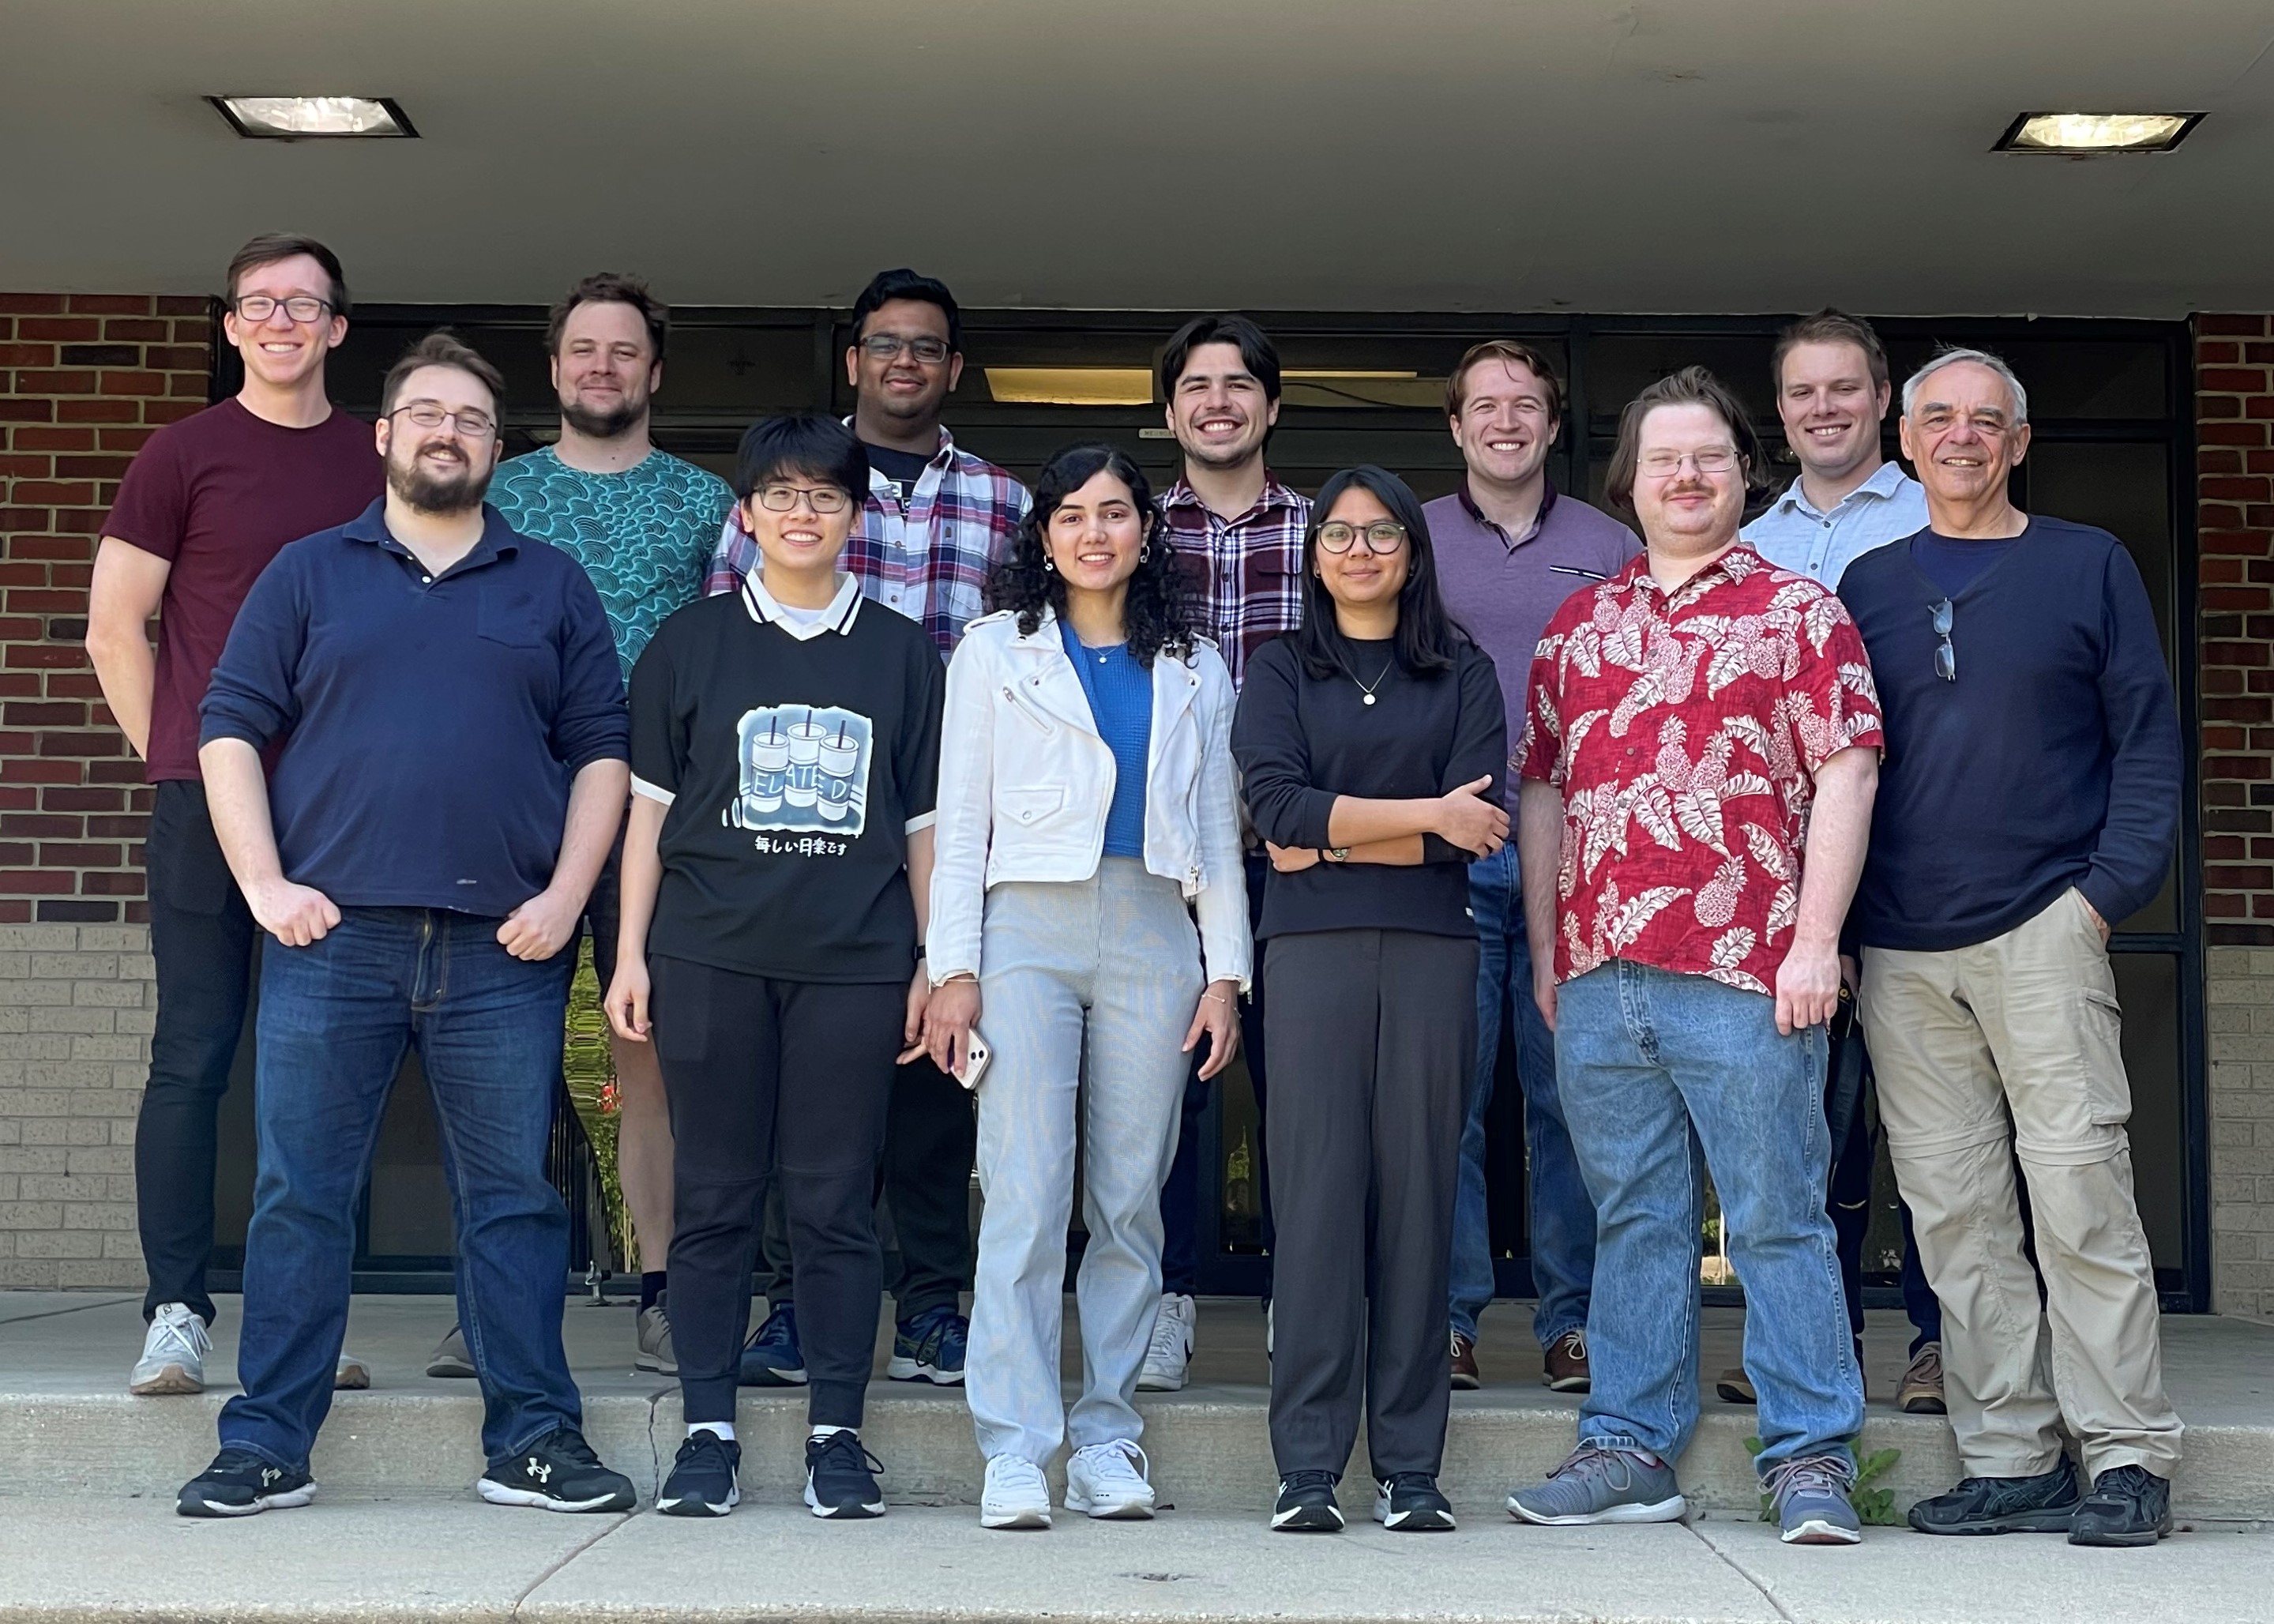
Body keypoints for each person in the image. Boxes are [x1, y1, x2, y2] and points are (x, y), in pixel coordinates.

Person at [176, 333, 637, 1517]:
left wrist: (564, 896)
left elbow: (602, 751)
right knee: (300, 1196)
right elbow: (228, 729)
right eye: (426, 413)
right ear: (384, 436)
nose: (448, 433)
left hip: (504, 948)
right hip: (333, 942)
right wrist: (265, 886)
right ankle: (266, 1444)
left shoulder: (550, 582)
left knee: (513, 1202)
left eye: (472, 419)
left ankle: (533, 1440)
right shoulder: (307, 572)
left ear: (495, 447)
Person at [1504, 367, 1879, 1547]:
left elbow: (1849, 771)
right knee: (1634, 1219)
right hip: (1601, 977)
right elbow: (1544, 793)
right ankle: (1629, 1447)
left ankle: (1811, 1458)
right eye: (1664, 459)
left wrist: (1817, 941)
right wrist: (1547, 950)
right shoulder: (1579, 628)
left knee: (1776, 1218)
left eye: (1709, 457)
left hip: (1749, 971)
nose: (1687, 477)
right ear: (1630, 480)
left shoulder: (1799, 613)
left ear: (1742, 472)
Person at [1840, 348, 2185, 1547]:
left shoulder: (2088, 564)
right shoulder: (1867, 585)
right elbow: (1841, 765)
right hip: (1901, 951)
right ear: (1905, 441)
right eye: (1938, 418)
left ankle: (2127, 1455)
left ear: (2020, 442)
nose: (1963, 437)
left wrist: (2105, 895)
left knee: (2081, 1193)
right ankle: (2010, 1456)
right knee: (1957, 1215)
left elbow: (2147, 739)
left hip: (2045, 924)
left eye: (1987, 421)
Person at [611, 414, 945, 1521]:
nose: (804, 513)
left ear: (857, 515)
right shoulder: (688, 644)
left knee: (836, 1204)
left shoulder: (903, 653)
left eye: (826, 496)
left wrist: (933, 960)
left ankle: (837, 1436)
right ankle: (707, 1433)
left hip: (855, 965)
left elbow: (925, 829)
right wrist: (629, 955)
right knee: (714, 1200)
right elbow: (647, 816)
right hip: (709, 956)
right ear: (747, 514)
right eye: (782, 495)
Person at [711, 269, 1026, 1394]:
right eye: (885, 343)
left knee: (937, 1068)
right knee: (806, 1088)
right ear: (853, 360)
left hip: (957, 821)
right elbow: (730, 648)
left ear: (954, 367)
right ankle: (796, 1308)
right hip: (807, 820)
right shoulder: (791, 489)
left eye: (927, 347)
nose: (905, 362)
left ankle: (934, 1305)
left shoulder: (1003, 502)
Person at [923, 443, 1249, 1529]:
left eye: (1115, 513)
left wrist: (1226, 975)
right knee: (1023, 1192)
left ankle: (1109, 1432)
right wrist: (952, 968)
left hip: (1156, 929)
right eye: (1072, 515)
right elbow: (959, 825)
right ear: (1044, 535)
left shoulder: (1196, 664)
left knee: (1129, 1196)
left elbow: (1218, 832)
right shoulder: (993, 650)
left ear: (1146, 533)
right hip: (1025, 927)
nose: (1094, 533)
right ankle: (1015, 1447)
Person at [88, 233, 384, 1399]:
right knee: (196, 1050)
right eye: (258, 304)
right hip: (207, 805)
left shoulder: (373, 457)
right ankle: (176, 1310)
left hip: (344, 811)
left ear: (337, 327)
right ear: (230, 326)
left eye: (303, 304)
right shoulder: (182, 454)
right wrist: (179, 760)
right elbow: (116, 625)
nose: (280, 321)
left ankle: (302, 1316)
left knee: (327, 1070)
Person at [423, 273, 734, 1383]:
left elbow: (732, 658)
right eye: (584, 350)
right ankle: (492, 1306)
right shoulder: (496, 491)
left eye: (624, 351)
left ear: (655, 371)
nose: (603, 367)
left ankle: (665, 1293)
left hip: (662, 817)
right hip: (513, 813)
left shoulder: (707, 504)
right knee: (500, 1071)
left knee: (650, 1060)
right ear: (554, 370)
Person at [1232, 465, 1508, 1535]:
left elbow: (1474, 828)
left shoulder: (1462, 670)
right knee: (1314, 1201)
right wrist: (1421, 816)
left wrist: (1335, 837)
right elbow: (1274, 811)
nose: (1360, 551)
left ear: (1412, 551)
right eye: (1340, 535)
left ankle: (1410, 1469)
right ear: (1314, 555)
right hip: (1309, 957)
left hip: (1435, 952)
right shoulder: (1278, 667)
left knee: (1419, 1201)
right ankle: (1306, 1468)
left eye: (1382, 534)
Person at [1728, 308, 1944, 1417]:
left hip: (1919, 864)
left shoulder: (1935, 515)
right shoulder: (1750, 543)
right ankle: (1816, 1342)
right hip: (1789, 883)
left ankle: (1941, 1343)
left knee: (1934, 1129)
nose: (1824, 409)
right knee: (1810, 1134)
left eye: (1844, 388)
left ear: (1882, 398)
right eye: (1803, 392)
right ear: (1781, 410)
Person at [1423, 340, 1638, 1395]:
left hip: (1578, 864)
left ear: (1553, 426)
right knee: (1450, 1101)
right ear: (1456, 427)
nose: (1505, 422)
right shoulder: (1411, 537)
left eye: (1525, 406)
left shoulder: (1611, 544)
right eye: (1485, 406)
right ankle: (1449, 1320)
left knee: (1572, 1104)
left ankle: (1574, 1323)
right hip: (1449, 857)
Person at [1145, 314, 1312, 1390]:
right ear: (1171, 413)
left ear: (1271, 405)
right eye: (1197, 386)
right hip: (1168, 861)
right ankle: (1166, 1299)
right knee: (1168, 1087)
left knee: (1301, 1084)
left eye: (1238, 383)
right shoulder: (1131, 528)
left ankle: (1304, 1299)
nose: (1218, 402)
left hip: (1294, 856)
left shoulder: (1324, 530)